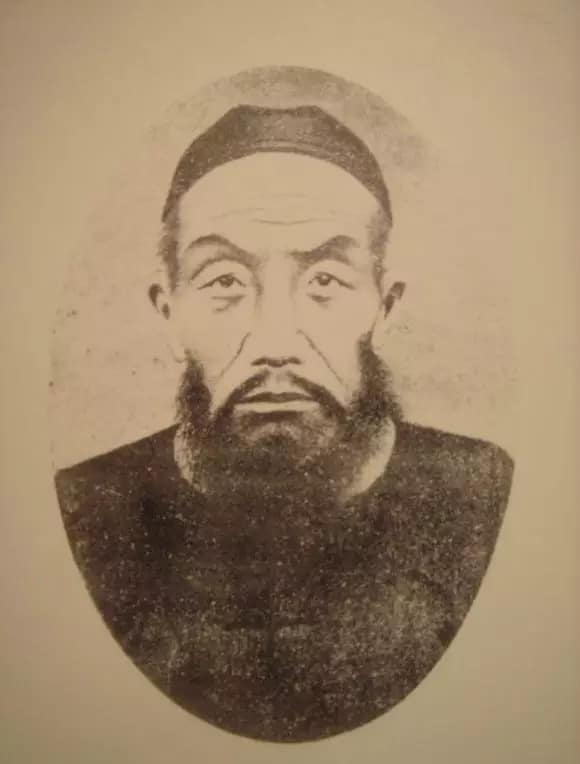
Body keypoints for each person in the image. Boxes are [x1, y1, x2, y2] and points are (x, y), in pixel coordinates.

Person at [55, 104, 514, 742]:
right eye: (224, 281)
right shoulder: (86, 509)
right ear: (168, 312)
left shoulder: (484, 495)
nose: (276, 344)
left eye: (325, 280)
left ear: (384, 307)